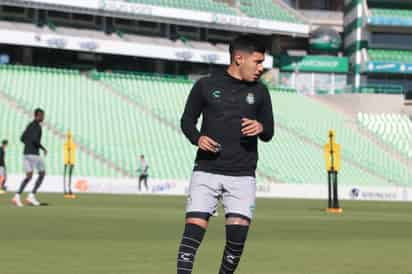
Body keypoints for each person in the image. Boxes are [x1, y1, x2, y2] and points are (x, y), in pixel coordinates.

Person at [176, 35, 274, 274]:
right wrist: (197, 138)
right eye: (258, 61)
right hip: (206, 170)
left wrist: (261, 128)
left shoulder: (261, 92)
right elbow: (187, 121)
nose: (262, 68)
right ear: (239, 58)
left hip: (242, 175)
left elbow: (269, 131)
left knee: (236, 241)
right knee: (193, 231)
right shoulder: (205, 85)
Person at [12, 108, 48, 207]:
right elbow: (36, 140)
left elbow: (22, 138)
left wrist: (28, 145)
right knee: (42, 173)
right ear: (37, 115)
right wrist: (43, 148)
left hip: (26, 154)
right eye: (42, 115)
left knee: (29, 176)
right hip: (34, 154)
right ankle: (31, 196)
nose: (43, 117)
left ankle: (17, 196)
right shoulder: (37, 126)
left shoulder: (29, 125)